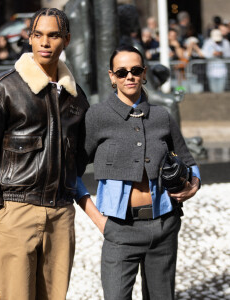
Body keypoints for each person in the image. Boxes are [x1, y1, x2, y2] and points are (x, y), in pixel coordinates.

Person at [0, 8, 89, 300]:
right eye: (38, 35)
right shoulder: (3, 89)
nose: (45, 42)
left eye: (53, 35)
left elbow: (80, 157)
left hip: (61, 215)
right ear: (30, 38)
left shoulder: (76, 98)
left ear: (67, 40)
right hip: (16, 210)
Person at [77, 45, 201, 300]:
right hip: (119, 229)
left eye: (135, 70)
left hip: (165, 225)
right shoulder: (97, 116)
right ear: (112, 76)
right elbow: (71, 173)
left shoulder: (161, 116)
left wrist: (194, 184)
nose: (129, 76)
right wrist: (99, 220)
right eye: (122, 72)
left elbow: (188, 160)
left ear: (144, 73)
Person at [202, 28, 230, 93]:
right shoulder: (208, 42)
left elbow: (228, 53)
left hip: (222, 70)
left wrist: (222, 53)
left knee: (221, 90)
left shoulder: (225, 43)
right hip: (211, 70)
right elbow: (204, 54)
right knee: (213, 91)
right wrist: (212, 54)